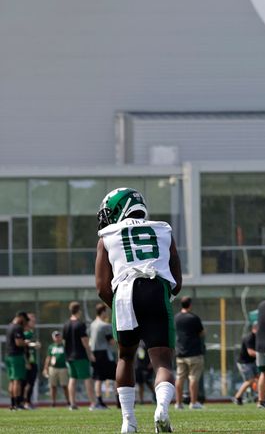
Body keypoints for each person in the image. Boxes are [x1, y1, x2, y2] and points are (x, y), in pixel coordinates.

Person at [94, 186, 184, 433]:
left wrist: (120, 307)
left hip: (123, 293)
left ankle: (128, 422)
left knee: (126, 357)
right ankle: (162, 409)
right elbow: (176, 279)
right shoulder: (163, 229)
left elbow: (102, 287)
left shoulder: (107, 235)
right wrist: (163, 297)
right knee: (162, 359)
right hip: (156, 288)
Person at [174, 296, 206, 410]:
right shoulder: (194, 318)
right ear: (190, 305)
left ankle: (178, 403)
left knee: (179, 378)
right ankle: (193, 402)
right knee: (193, 378)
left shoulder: (176, 318)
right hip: (194, 353)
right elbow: (202, 333)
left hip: (180, 353)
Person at [62, 301, 94, 411]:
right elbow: (85, 342)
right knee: (87, 378)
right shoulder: (80, 324)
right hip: (80, 356)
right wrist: (90, 354)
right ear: (79, 311)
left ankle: (72, 404)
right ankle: (93, 404)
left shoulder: (66, 325)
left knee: (72, 378)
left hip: (69, 356)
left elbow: (64, 342)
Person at [90, 303, 116, 409]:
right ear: (103, 312)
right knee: (116, 376)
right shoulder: (105, 325)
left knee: (98, 378)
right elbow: (112, 342)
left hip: (94, 353)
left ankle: (99, 401)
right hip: (104, 353)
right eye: (106, 311)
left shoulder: (92, 324)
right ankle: (119, 400)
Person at [7, 311, 28, 410]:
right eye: (24, 320)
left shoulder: (9, 326)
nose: (24, 322)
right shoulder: (17, 327)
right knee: (17, 380)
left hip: (9, 356)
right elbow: (19, 343)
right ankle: (17, 403)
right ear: (20, 317)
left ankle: (12, 403)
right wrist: (27, 343)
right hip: (16, 357)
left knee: (12, 380)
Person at [233, 326, 258, 406]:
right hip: (245, 363)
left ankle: (260, 397)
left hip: (252, 362)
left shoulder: (258, 337)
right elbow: (250, 352)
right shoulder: (249, 337)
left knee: (258, 379)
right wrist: (263, 355)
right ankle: (237, 397)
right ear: (254, 328)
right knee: (249, 380)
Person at [44, 330, 69, 407]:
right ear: (53, 338)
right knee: (52, 386)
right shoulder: (51, 347)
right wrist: (46, 368)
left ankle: (68, 401)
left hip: (63, 368)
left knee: (65, 385)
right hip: (53, 368)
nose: (57, 338)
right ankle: (53, 402)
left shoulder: (64, 346)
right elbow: (48, 357)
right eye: (56, 336)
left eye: (59, 336)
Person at [23, 313, 39, 409]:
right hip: (28, 362)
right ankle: (25, 402)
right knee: (26, 383)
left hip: (33, 361)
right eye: (32, 321)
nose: (34, 323)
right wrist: (26, 361)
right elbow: (24, 348)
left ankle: (28, 402)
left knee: (31, 382)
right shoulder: (25, 333)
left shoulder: (31, 332)